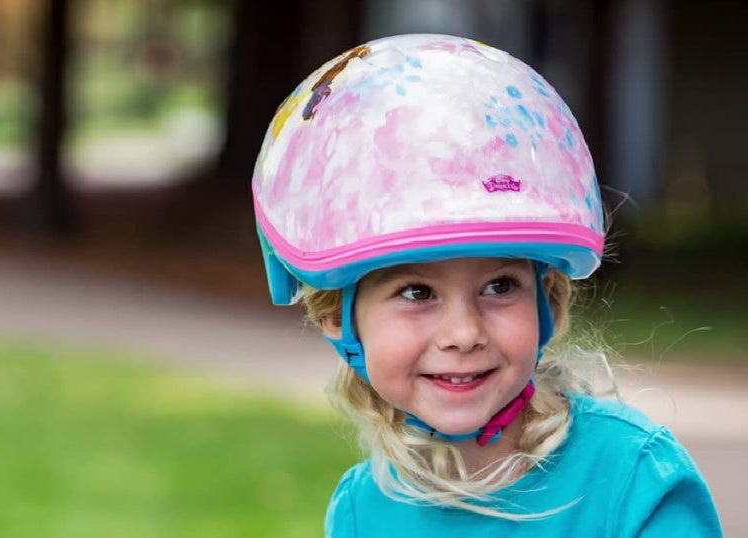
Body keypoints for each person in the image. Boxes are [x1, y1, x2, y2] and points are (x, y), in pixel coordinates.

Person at [252, 34, 722, 537]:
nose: (463, 333)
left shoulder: (630, 477)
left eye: (499, 286)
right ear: (337, 316)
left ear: (547, 299)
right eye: (417, 292)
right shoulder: (362, 513)